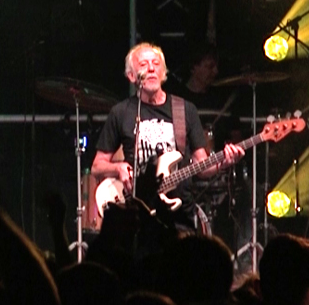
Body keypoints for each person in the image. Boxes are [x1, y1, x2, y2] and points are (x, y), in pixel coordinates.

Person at [89, 42, 242, 228]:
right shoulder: (121, 112)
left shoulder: (185, 109)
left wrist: (223, 163)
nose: (151, 68)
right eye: (143, 64)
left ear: (163, 73)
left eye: (156, 64)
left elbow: (202, 167)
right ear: (131, 76)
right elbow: (97, 166)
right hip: (137, 212)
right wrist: (118, 168)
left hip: (179, 214)